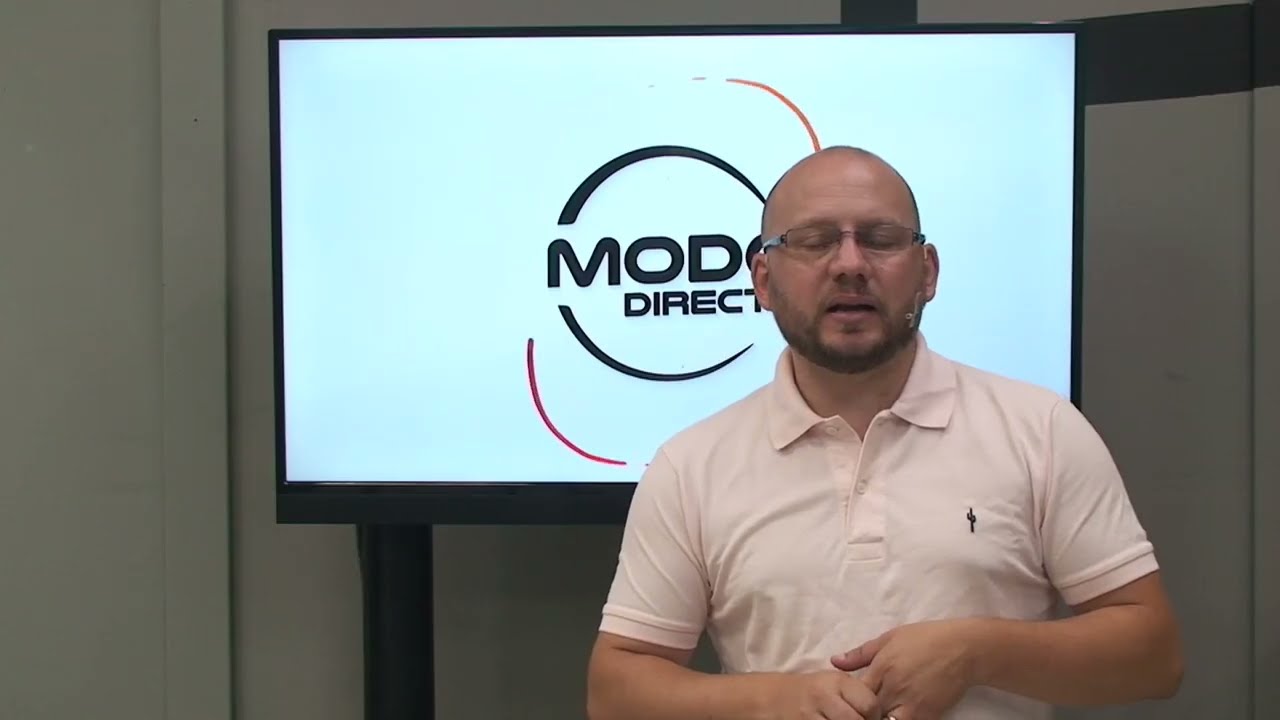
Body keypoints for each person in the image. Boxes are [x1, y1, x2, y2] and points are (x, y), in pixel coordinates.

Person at [584, 146, 1183, 720]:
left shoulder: (1040, 429)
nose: (850, 264)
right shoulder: (692, 466)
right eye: (815, 241)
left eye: (880, 239)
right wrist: (770, 702)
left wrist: (977, 653)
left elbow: (1154, 658)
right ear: (763, 280)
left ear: (927, 272)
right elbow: (615, 692)